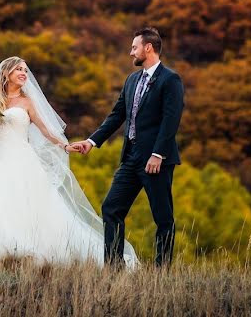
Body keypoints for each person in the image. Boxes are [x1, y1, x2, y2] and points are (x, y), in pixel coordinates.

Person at [0, 56, 138, 272]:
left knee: (29, 206)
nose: (24, 73)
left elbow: (46, 130)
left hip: (22, 161)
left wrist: (64, 146)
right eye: (19, 70)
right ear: (6, 73)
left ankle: (31, 256)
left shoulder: (27, 102)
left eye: (25, 70)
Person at [70, 27, 184, 268]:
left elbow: (171, 119)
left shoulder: (170, 79)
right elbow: (116, 115)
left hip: (156, 161)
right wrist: (91, 142)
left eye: (134, 47)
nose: (131, 52)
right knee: (111, 208)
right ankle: (114, 268)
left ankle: (161, 271)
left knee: (163, 218)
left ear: (148, 48)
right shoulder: (132, 80)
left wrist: (157, 154)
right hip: (130, 158)